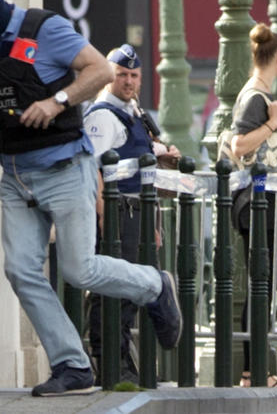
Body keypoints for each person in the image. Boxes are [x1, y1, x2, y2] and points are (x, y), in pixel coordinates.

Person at [0, 0, 181, 397]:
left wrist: (55, 101)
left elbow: (100, 70)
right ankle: (73, 365)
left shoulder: (42, 28)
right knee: (21, 270)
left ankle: (155, 284)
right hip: (14, 173)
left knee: (79, 270)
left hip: (65, 168)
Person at [83, 44, 181, 384]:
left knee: (129, 293)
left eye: (134, 75)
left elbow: (143, 166)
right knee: (113, 291)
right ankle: (109, 363)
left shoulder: (133, 113)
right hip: (117, 214)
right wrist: (102, 215)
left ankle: (121, 363)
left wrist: (165, 157)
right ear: (108, 76)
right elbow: (90, 168)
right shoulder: (101, 116)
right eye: (121, 74)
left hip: (136, 213)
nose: (128, 81)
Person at [227, 23, 277, 387]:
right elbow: (239, 145)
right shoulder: (257, 98)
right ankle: (255, 372)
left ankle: (257, 371)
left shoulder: (259, 94)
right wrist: (274, 123)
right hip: (261, 206)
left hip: (262, 205)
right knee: (261, 288)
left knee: (262, 287)